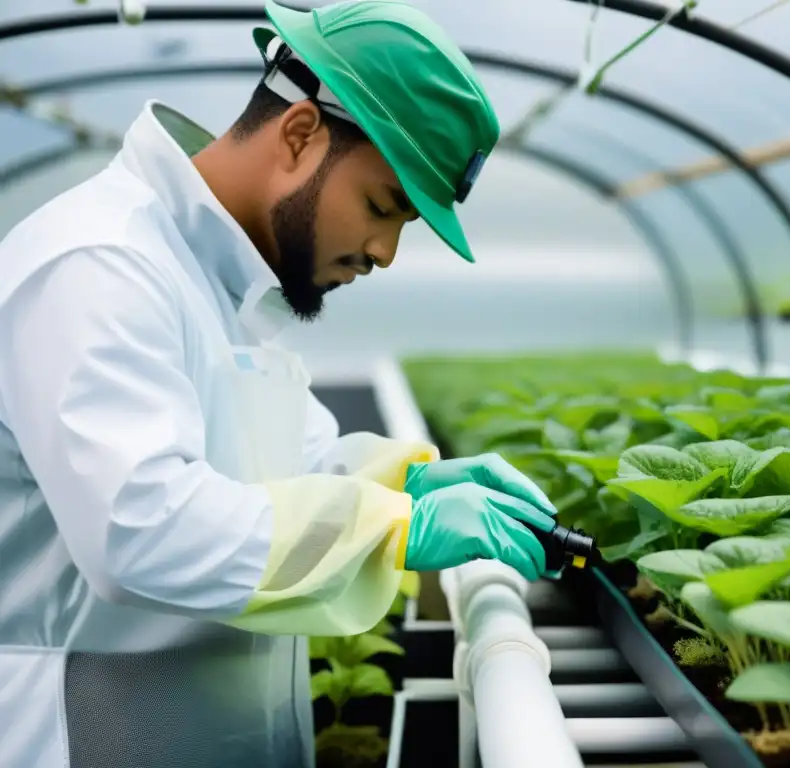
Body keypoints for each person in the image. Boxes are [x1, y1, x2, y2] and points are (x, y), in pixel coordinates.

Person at [0, 2, 560, 766]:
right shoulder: (99, 264)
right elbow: (140, 528)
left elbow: (293, 472)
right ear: (300, 133)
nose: (386, 253)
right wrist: (394, 529)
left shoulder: (223, 284)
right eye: (381, 206)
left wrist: (410, 484)